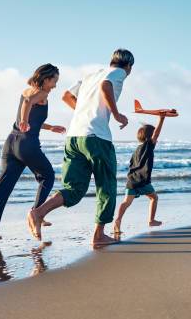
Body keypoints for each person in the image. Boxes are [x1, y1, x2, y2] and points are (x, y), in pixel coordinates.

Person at [27, 49, 133, 248]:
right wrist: (117, 115)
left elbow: (67, 96)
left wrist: (86, 111)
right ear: (128, 66)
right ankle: (99, 235)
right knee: (107, 186)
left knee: (73, 189)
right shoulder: (118, 72)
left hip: (74, 137)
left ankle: (38, 212)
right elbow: (106, 85)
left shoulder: (90, 75)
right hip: (97, 138)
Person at [0, 64, 65, 241]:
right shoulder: (42, 93)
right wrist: (25, 121)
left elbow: (31, 115)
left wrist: (50, 127)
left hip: (11, 142)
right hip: (27, 143)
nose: (55, 85)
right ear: (46, 78)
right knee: (47, 176)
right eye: (54, 81)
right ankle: (37, 214)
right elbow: (27, 107)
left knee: (3, 186)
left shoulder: (28, 90)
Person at [113, 113, 166, 234]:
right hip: (142, 181)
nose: (156, 139)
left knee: (126, 202)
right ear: (150, 137)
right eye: (154, 137)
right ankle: (151, 220)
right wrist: (161, 119)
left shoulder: (136, 150)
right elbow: (156, 133)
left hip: (131, 181)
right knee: (154, 198)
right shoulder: (148, 146)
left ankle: (118, 220)